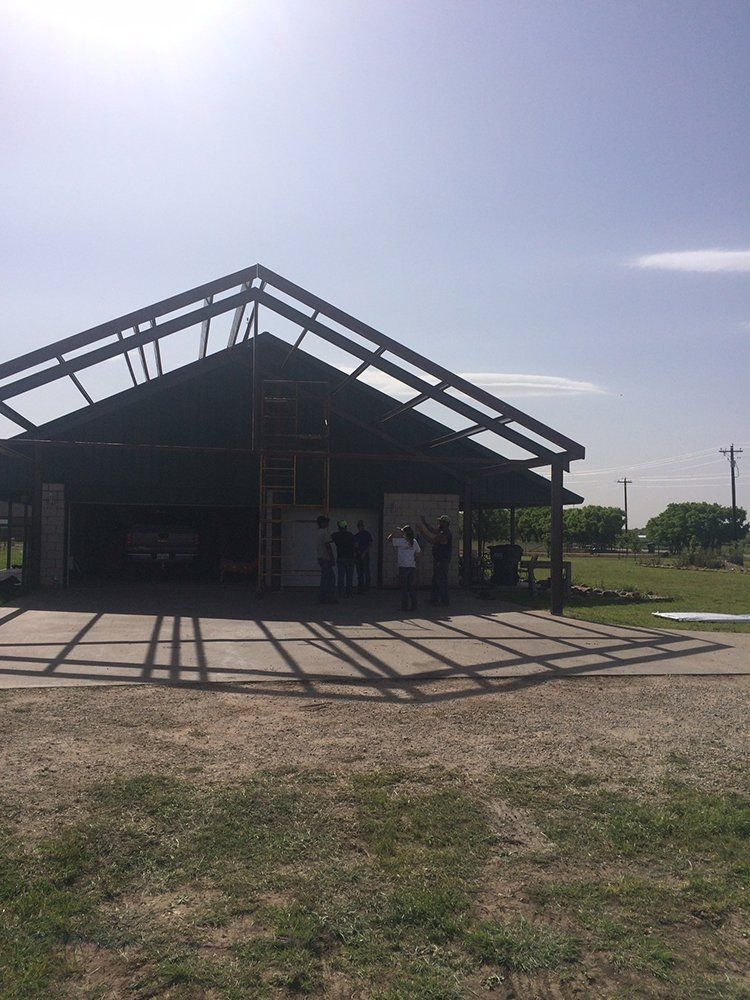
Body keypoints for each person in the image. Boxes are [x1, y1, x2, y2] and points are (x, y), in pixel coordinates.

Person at [419, 514, 452, 606]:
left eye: (441, 521)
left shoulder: (444, 533)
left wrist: (422, 531)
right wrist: (425, 523)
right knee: (435, 580)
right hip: (439, 559)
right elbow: (433, 530)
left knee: (441, 580)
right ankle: (434, 599)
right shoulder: (441, 530)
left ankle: (444, 601)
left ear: (445, 523)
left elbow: (433, 541)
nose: (439, 523)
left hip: (442, 560)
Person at [388, 524, 421, 612]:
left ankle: (404, 606)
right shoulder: (414, 541)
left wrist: (394, 532)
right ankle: (414, 606)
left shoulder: (401, 541)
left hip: (403, 567)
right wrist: (415, 563)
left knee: (404, 588)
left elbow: (389, 539)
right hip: (411, 566)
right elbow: (418, 553)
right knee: (410, 587)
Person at [331, 519, 356, 597]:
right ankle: (349, 593)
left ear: (339, 527)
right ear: (346, 527)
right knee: (349, 577)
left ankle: (341, 593)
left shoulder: (336, 535)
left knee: (341, 577)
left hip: (341, 558)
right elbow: (355, 545)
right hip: (350, 558)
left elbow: (329, 539)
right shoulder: (351, 535)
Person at [316, 515, 337, 604]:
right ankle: (328, 597)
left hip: (320, 558)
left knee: (325, 578)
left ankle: (323, 597)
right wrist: (332, 558)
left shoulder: (318, 532)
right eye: (326, 522)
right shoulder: (324, 532)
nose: (327, 524)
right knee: (330, 578)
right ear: (322, 523)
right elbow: (328, 546)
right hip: (326, 559)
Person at [354, 519, 373, 593]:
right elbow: (355, 546)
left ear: (363, 526)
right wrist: (358, 553)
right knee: (359, 573)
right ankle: (360, 588)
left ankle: (367, 588)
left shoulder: (367, 534)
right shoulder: (356, 535)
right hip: (358, 556)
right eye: (359, 526)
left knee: (366, 572)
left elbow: (370, 544)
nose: (360, 527)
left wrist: (364, 553)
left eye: (361, 526)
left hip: (365, 555)